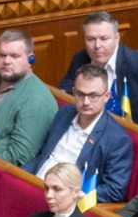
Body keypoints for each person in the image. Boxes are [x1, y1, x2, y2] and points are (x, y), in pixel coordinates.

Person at [27, 62, 131, 195]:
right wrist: (17, 174)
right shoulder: (64, 113)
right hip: (35, 184)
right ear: (74, 92)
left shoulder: (117, 139)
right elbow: (42, 156)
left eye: (93, 96)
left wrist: (74, 195)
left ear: (107, 97)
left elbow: (114, 190)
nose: (86, 102)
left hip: (66, 200)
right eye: (80, 94)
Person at [0, 29, 57, 169]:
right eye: (2, 55)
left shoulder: (38, 99)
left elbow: (18, 156)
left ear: (30, 59)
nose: (6, 61)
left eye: (14, 56)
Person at [58, 9, 138, 106]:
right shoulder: (81, 57)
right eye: (90, 39)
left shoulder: (137, 62)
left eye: (104, 39)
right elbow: (66, 89)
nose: (97, 46)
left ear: (116, 38)